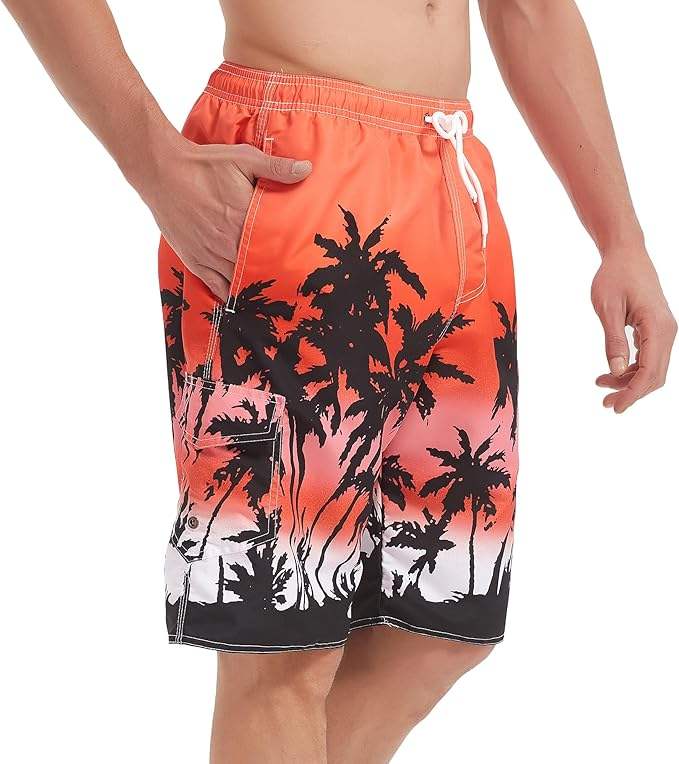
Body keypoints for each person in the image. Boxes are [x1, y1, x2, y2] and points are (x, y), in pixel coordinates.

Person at [3, 1, 676, 762]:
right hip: (293, 168)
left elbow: (530, 8)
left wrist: (620, 238)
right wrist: (150, 160)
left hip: (450, 181)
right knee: (282, 645)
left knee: (444, 620)